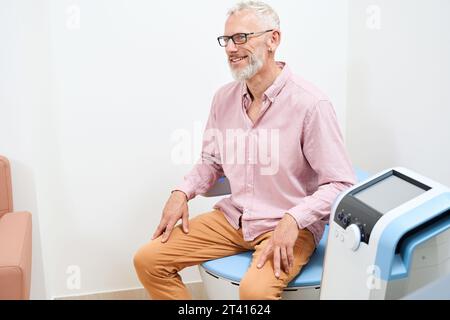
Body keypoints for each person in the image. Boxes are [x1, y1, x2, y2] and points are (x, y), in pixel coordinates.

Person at [134, 0, 356, 300]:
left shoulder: (311, 104)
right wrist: (181, 192)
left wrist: (294, 220)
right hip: (234, 218)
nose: (230, 48)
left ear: (273, 40)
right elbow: (211, 161)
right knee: (148, 260)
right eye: (226, 40)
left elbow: (340, 183)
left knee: (254, 293)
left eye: (241, 38)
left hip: (288, 223)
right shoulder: (223, 99)